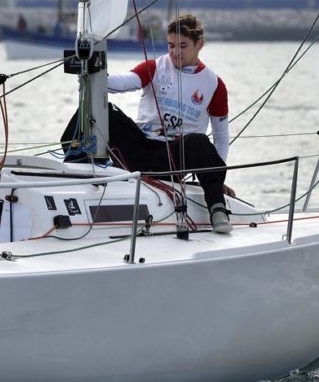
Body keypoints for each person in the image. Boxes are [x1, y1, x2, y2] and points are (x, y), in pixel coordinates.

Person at [63, 14, 233, 233]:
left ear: (199, 44)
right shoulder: (156, 67)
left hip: (174, 158)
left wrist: (217, 177)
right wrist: (92, 72)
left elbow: (221, 137)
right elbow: (122, 83)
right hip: (141, 148)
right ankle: (75, 164)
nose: (175, 52)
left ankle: (217, 209)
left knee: (199, 141)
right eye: (171, 45)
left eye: (182, 46)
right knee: (102, 111)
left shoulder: (214, 84)